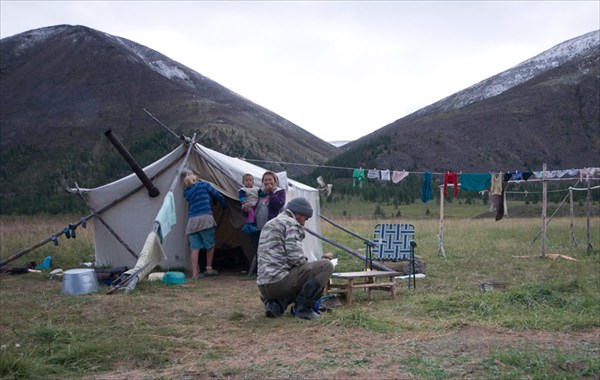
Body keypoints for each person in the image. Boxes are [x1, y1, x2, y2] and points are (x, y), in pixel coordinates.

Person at [256, 197, 335, 320]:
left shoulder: (270, 223)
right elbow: (296, 258)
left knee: (297, 275)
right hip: (278, 284)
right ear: (298, 214)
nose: (304, 223)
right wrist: (315, 263)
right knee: (326, 266)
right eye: (305, 218)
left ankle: (276, 305)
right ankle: (303, 309)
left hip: (263, 286)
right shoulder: (291, 224)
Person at [183, 173, 228, 280]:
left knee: (195, 248)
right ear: (197, 179)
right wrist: (225, 207)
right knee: (210, 245)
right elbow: (217, 195)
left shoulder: (186, 192)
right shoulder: (203, 185)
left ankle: (195, 273)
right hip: (205, 219)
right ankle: (209, 268)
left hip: (192, 221)